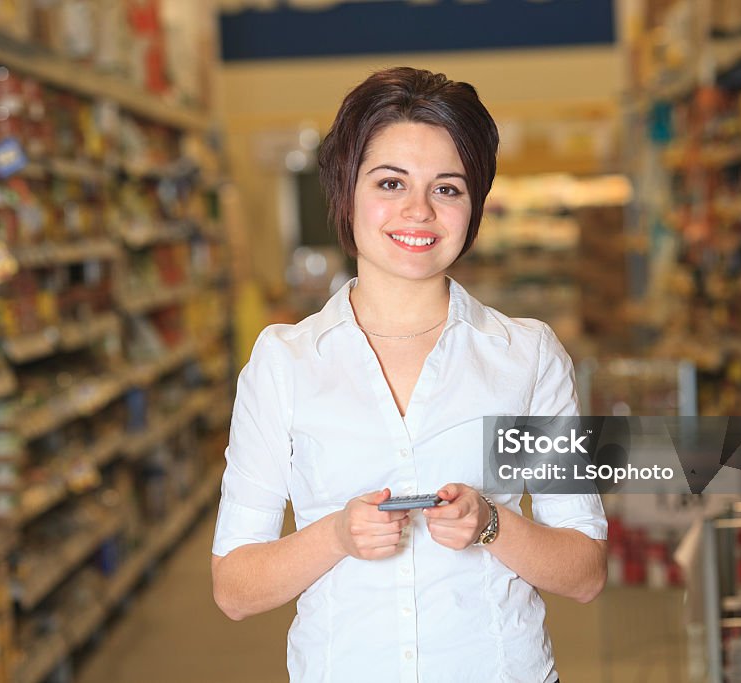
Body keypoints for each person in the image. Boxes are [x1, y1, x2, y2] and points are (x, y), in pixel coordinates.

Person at [210, 67, 607, 683]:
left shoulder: (524, 356)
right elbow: (234, 588)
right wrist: (337, 536)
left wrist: (491, 524)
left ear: (473, 206)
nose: (417, 211)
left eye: (447, 189)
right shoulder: (285, 361)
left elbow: (584, 572)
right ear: (346, 191)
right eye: (390, 182)